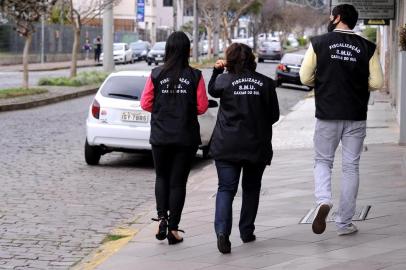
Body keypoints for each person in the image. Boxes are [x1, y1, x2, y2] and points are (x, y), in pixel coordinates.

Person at [299, 4, 383, 236]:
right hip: (356, 114)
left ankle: (323, 200)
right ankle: (344, 223)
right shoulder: (368, 46)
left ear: (337, 18)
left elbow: (305, 76)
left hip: (327, 113)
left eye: (331, 16)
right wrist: (356, 85)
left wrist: (325, 83)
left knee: (323, 161)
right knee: (351, 166)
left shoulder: (319, 43)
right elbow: (376, 83)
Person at [208, 43, 279, 254]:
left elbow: (212, 90)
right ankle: (246, 231)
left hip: (226, 144)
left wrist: (216, 71)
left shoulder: (224, 80)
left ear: (229, 59)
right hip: (255, 145)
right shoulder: (266, 83)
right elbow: (274, 116)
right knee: (251, 188)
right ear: (252, 59)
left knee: (225, 189)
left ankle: (222, 232)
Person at [141, 32, 209, 245]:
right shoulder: (195, 76)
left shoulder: (156, 74)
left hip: (160, 135)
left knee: (161, 177)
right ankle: (173, 229)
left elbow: (145, 103)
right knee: (178, 183)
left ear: (168, 49)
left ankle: (162, 219)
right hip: (185, 137)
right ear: (187, 50)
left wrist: (162, 109)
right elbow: (202, 107)